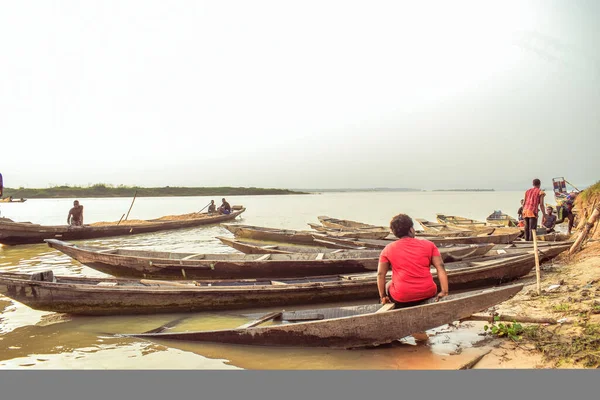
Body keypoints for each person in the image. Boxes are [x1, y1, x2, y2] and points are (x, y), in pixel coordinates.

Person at [377, 213, 449, 308]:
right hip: (428, 292)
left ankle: (385, 303)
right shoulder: (429, 245)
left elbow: (380, 274)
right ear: (411, 229)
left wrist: (383, 296)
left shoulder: (387, 249)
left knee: (388, 285)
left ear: (395, 233)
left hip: (401, 296)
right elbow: (441, 268)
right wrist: (444, 291)